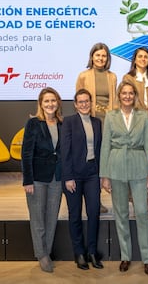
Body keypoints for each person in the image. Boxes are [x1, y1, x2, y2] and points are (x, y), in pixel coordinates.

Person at [100, 80, 148, 275]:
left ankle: (147, 258)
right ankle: (125, 256)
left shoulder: (142, 116)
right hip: (116, 168)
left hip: (140, 167)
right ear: (119, 95)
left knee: (141, 212)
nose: (127, 96)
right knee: (121, 214)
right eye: (124, 93)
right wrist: (104, 175)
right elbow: (105, 145)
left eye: (131, 93)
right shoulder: (110, 116)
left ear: (135, 96)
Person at [61, 89, 103, 271]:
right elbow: (65, 151)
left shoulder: (97, 122)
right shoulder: (69, 122)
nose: (84, 104)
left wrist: (102, 174)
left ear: (91, 103)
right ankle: (79, 253)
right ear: (75, 104)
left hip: (92, 174)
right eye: (81, 102)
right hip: (74, 176)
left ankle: (92, 252)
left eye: (87, 101)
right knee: (75, 214)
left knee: (94, 213)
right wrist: (68, 177)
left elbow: (100, 149)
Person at [21, 87, 63, 273]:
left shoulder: (62, 123)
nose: (50, 104)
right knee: (38, 218)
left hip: (57, 178)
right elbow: (26, 153)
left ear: (58, 103)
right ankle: (41, 254)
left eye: (53, 101)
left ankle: (48, 250)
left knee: (52, 217)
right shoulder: (33, 124)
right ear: (40, 104)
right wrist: (27, 180)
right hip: (37, 179)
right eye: (46, 101)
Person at [76, 42, 117, 214]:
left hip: (107, 123)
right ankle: (95, 200)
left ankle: (114, 197)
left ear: (107, 58)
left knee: (106, 161)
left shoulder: (112, 76)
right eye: (97, 55)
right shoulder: (83, 76)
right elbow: (79, 101)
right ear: (92, 57)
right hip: (90, 122)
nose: (100, 58)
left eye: (104, 56)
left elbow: (114, 101)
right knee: (93, 162)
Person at [122, 46, 148, 212]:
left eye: (146, 57)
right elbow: (127, 98)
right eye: (140, 56)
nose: (143, 59)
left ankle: (146, 197)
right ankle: (132, 196)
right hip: (134, 123)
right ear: (135, 59)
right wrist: (142, 115)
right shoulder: (128, 77)